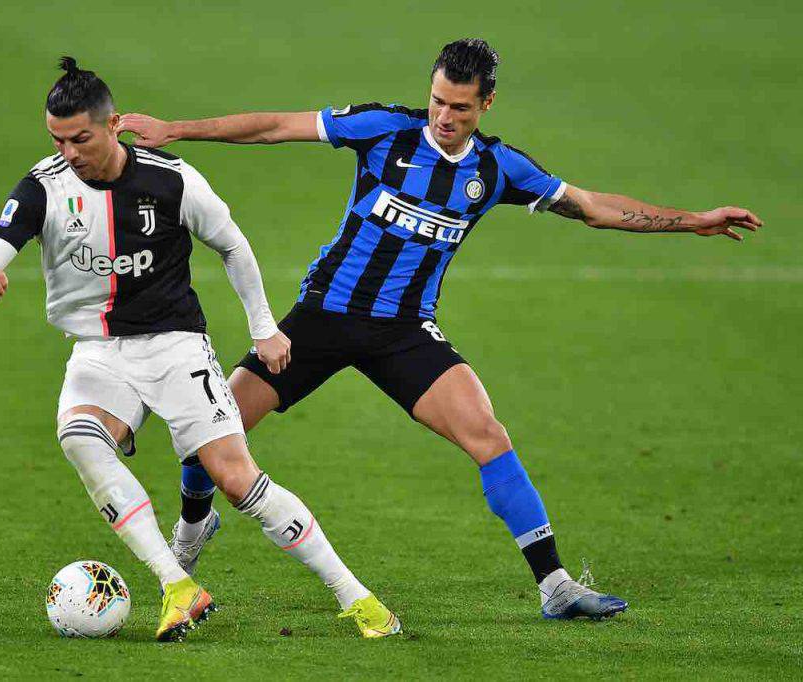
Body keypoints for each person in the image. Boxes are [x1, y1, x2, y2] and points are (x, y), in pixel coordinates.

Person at [118, 38, 763, 620]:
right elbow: (275, 128)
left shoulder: (498, 169)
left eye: (459, 107)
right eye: (436, 101)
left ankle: (556, 586)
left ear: (486, 103)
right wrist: (175, 129)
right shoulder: (383, 132)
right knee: (208, 429)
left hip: (405, 332)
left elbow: (592, 207)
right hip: (323, 318)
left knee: (487, 432)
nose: (443, 117)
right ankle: (195, 524)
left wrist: (692, 220)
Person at [0, 57, 401, 641]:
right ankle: (178, 584)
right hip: (97, 350)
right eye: (57, 139)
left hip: (176, 348)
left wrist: (264, 329)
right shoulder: (43, 188)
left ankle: (359, 599)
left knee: (236, 479)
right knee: (79, 437)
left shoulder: (172, 179)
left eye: (80, 138)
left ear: (113, 124)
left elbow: (233, 246)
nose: (68, 151)